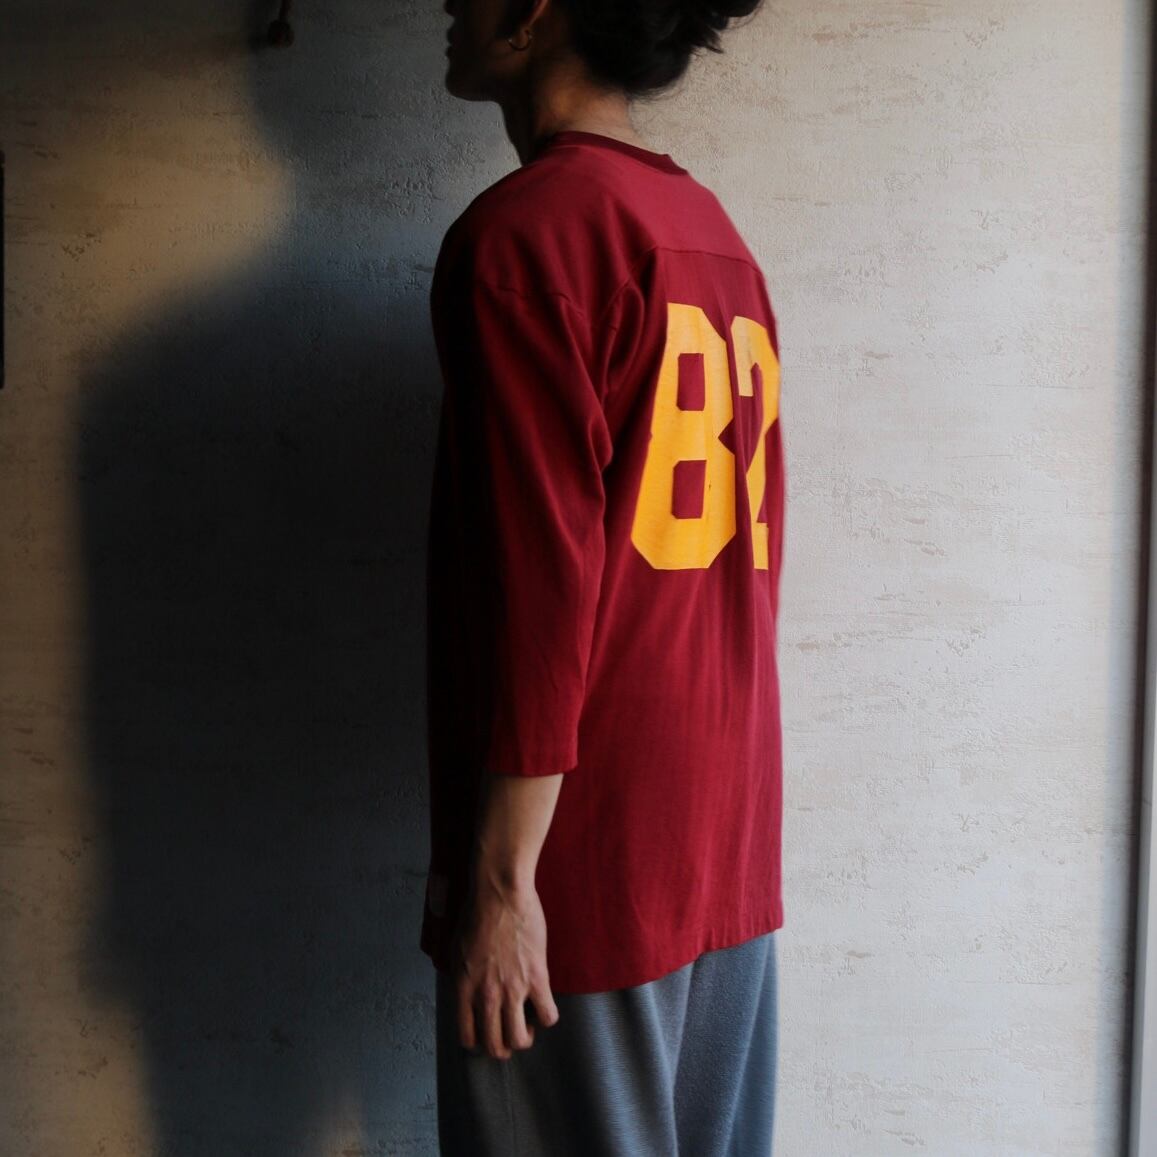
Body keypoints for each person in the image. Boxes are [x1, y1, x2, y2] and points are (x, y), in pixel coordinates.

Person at [420, 0, 785, 1152]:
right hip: (721, 825)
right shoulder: (710, 231)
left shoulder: (525, 238)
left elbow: (539, 584)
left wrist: (499, 884)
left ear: (536, 10)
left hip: (578, 852)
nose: (446, 3)